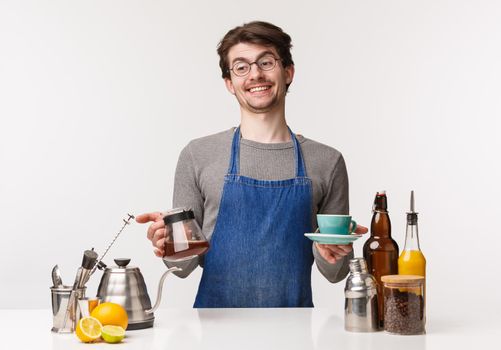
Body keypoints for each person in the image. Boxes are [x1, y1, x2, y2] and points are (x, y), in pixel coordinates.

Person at [136, 21, 367, 308]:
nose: (255, 73)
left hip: (293, 329)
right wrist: (166, 242)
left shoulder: (327, 161)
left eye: (266, 62)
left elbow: (335, 273)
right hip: (215, 329)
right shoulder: (198, 154)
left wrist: (332, 250)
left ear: (288, 72)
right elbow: (182, 268)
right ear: (229, 84)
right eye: (241, 67)